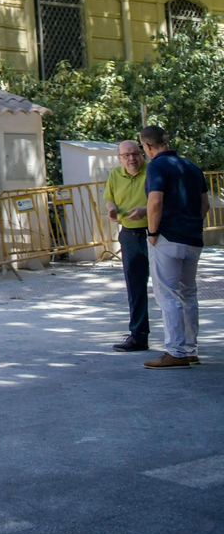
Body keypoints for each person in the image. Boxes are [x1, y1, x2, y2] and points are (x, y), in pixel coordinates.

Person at [140, 125, 207, 368]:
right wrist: (193, 225)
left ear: (147, 146)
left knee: (167, 295)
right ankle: (191, 350)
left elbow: (155, 201)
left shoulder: (156, 166)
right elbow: (205, 205)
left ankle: (175, 352)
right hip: (193, 238)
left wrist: (153, 232)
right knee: (188, 293)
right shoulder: (191, 166)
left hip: (167, 237)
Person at [104, 141, 151, 352]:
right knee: (135, 286)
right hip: (129, 234)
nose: (132, 158)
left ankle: (178, 339)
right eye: (126, 155)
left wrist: (145, 210)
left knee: (166, 286)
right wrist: (112, 209)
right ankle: (138, 336)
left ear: (142, 154)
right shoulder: (115, 174)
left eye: (135, 154)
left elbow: (162, 200)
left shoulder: (153, 172)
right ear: (119, 158)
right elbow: (110, 199)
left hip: (154, 233)